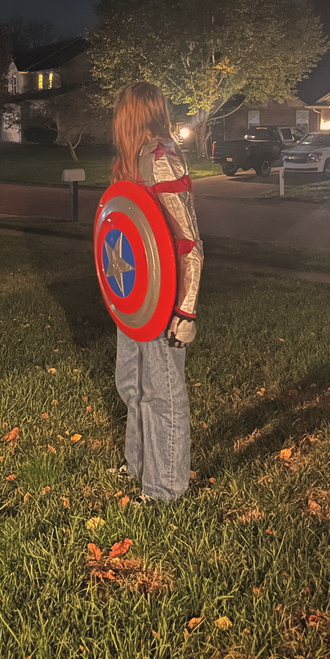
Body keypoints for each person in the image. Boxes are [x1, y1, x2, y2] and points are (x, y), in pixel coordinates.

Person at [111, 82, 204, 503]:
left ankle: (165, 488)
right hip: (137, 294)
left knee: (163, 393)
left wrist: (186, 309)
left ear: (132, 114)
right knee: (130, 383)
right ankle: (138, 465)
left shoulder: (162, 159)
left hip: (164, 299)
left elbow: (189, 242)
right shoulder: (132, 161)